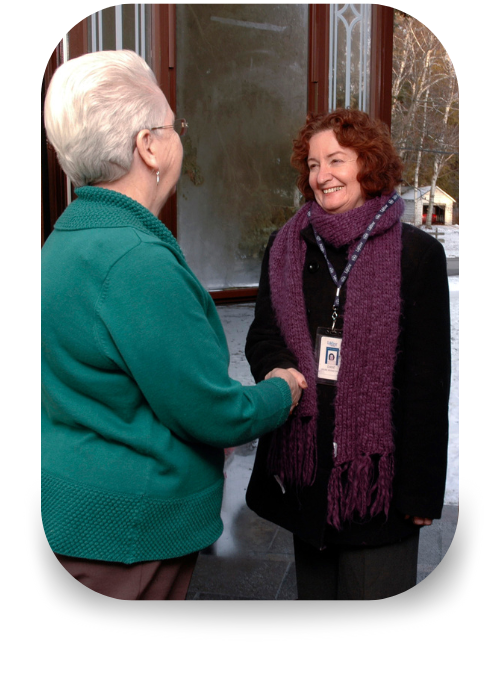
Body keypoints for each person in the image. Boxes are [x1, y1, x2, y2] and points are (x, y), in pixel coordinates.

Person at [41, 50, 305, 601]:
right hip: (127, 529)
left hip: (76, 506)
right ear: (148, 146)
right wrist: (282, 391)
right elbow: (211, 412)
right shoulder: (135, 260)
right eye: (174, 124)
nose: (179, 136)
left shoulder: (66, 239)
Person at [245, 109, 450, 601]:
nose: (322, 176)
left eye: (336, 160)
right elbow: (263, 334)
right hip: (305, 467)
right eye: (313, 165)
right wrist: (278, 369)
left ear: (369, 164)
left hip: (378, 478)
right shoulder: (285, 245)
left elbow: (428, 380)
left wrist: (421, 489)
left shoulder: (416, 254)